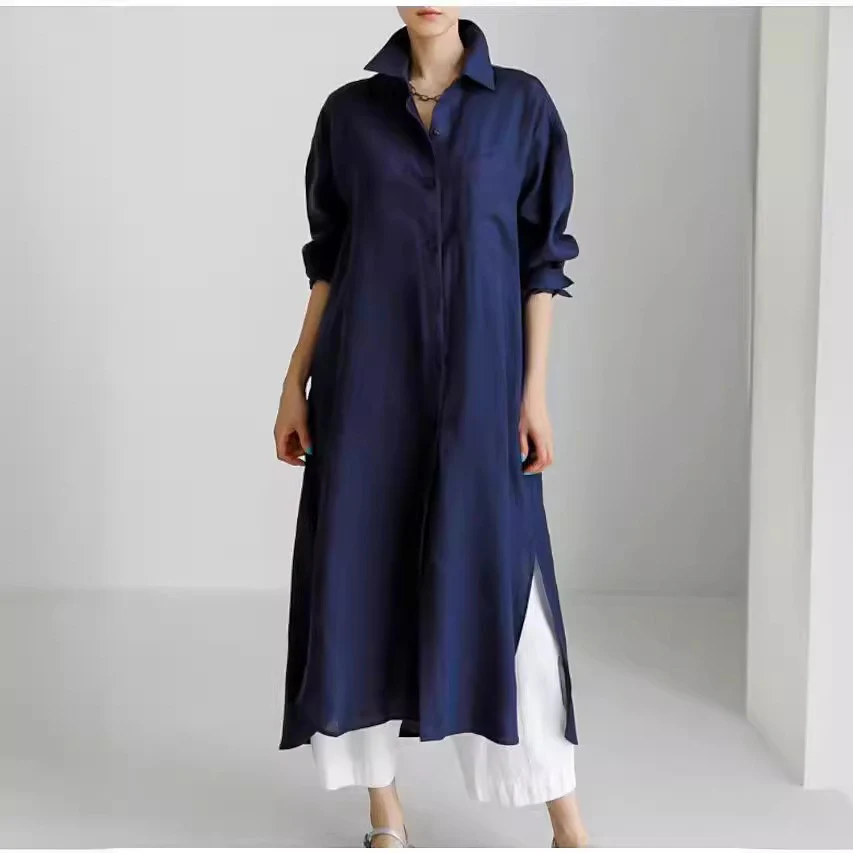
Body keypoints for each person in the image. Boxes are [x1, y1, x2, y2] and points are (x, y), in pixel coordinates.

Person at [274, 7, 589, 848]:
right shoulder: (349, 115)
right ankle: (383, 808)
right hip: (365, 383)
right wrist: (295, 377)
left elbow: (542, 259)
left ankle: (565, 820)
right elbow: (330, 260)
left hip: (483, 388)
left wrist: (532, 392)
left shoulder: (520, 106)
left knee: (506, 582)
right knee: (357, 575)